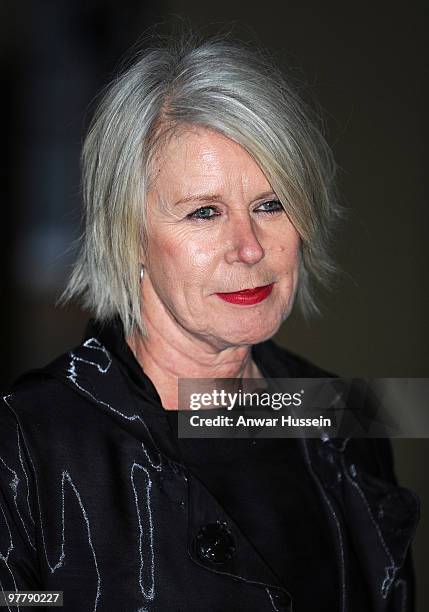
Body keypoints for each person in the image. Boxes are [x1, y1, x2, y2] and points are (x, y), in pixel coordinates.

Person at [0, 32, 420, 612]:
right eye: (205, 212)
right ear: (130, 237)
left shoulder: (339, 416)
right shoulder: (27, 442)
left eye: (271, 204)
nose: (249, 248)